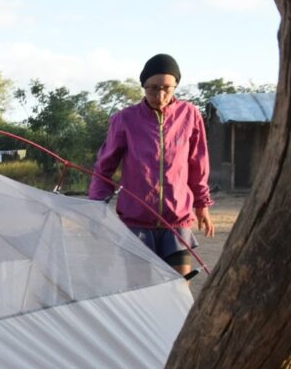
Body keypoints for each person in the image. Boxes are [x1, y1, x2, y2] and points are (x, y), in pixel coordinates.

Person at [89, 53, 215, 277]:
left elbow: (198, 162)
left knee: (179, 288)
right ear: (143, 86)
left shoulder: (190, 115)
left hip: (176, 223)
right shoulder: (124, 119)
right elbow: (105, 165)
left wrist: (201, 203)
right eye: (153, 88)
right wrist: (96, 205)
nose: (160, 94)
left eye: (167, 88)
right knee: (140, 293)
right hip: (136, 221)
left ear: (176, 85)